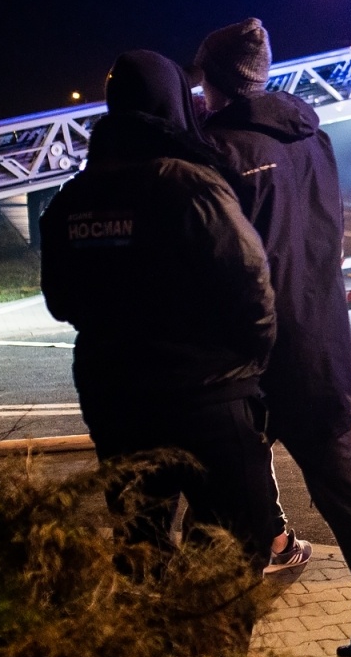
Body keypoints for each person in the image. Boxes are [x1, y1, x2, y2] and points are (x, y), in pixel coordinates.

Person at [193, 18, 351, 657]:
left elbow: (221, 260)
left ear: (216, 80)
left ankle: (218, 654)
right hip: (319, 337)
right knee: (342, 479)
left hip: (249, 349)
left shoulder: (217, 148)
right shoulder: (311, 136)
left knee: (226, 494)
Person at [40, 50, 307, 573]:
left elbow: (60, 300)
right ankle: (208, 625)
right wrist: (249, 371)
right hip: (208, 398)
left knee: (140, 549)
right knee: (233, 550)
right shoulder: (191, 184)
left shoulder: (72, 200)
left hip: (115, 400)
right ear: (175, 103)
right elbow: (252, 283)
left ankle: (156, 623)